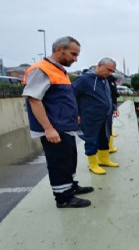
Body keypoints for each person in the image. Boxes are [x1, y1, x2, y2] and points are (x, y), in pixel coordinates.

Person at [22, 36, 93, 209]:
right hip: (55, 127)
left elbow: (60, 98)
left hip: (65, 125)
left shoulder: (59, 71)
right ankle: (63, 198)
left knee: (69, 159)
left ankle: (70, 186)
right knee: (59, 162)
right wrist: (48, 128)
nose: (75, 59)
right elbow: (34, 99)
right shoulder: (41, 70)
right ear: (60, 49)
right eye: (73, 54)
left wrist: (73, 116)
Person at [73, 58, 120, 175]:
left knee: (105, 137)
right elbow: (72, 96)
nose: (109, 73)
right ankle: (93, 164)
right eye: (108, 69)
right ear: (99, 65)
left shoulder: (104, 80)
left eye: (112, 71)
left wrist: (113, 107)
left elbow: (107, 96)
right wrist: (76, 113)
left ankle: (104, 159)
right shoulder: (84, 80)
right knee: (91, 139)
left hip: (105, 115)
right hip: (90, 116)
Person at [107, 73, 120, 153]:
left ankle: (110, 132)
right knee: (109, 122)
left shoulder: (110, 81)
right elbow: (113, 92)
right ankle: (109, 147)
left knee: (110, 121)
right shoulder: (110, 81)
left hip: (111, 103)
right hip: (110, 103)